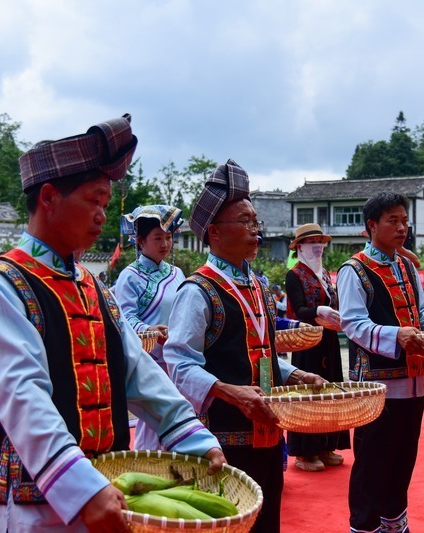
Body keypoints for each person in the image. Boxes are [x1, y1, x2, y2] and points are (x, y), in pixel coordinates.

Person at [0, 114, 225, 532]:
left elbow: (137, 372)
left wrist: (193, 437)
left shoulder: (94, 285)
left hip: (109, 488)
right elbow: (23, 395)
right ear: (49, 197)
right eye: (93, 201)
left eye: (106, 204)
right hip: (37, 503)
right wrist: (81, 487)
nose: (102, 215)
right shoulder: (1, 284)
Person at [164, 159, 327, 533]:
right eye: (247, 222)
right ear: (214, 233)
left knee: (268, 521)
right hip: (223, 440)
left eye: (257, 223)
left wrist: (295, 373)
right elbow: (179, 364)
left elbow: (261, 356)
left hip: (267, 430)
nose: (256, 231)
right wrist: (229, 392)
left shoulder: (258, 286)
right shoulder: (197, 290)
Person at [337, 192, 424, 533]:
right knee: (371, 464)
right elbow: (353, 325)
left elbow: (423, 317)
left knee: (403, 460)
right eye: (393, 220)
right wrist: (397, 336)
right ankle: (363, 527)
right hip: (375, 386)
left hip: (414, 382)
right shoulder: (354, 270)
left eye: (405, 220)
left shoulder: (406, 266)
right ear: (371, 226)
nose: (402, 227)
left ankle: (394, 523)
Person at [113, 204, 186, 449]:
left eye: (168, 238)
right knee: (152, 417)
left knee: (178, 413)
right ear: (141, 241)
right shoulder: (129, 276)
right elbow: (124, 318)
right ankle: (147, 462)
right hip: (148, 357)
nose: (165, 244)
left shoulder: (177, 274)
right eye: (158, 238)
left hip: (176, 355)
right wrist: (150, 330)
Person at [284, 223, 351, 472]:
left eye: (320, 243)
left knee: (330, 387)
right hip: (306, 341)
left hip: (329, 339)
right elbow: (299, 309)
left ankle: (326, 445)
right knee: (308, 392)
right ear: (299, 247)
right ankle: (305, 452)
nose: (318, 248)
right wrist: (319, 311)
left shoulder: (324, 275)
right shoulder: (294, 275)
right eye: (312, 243)